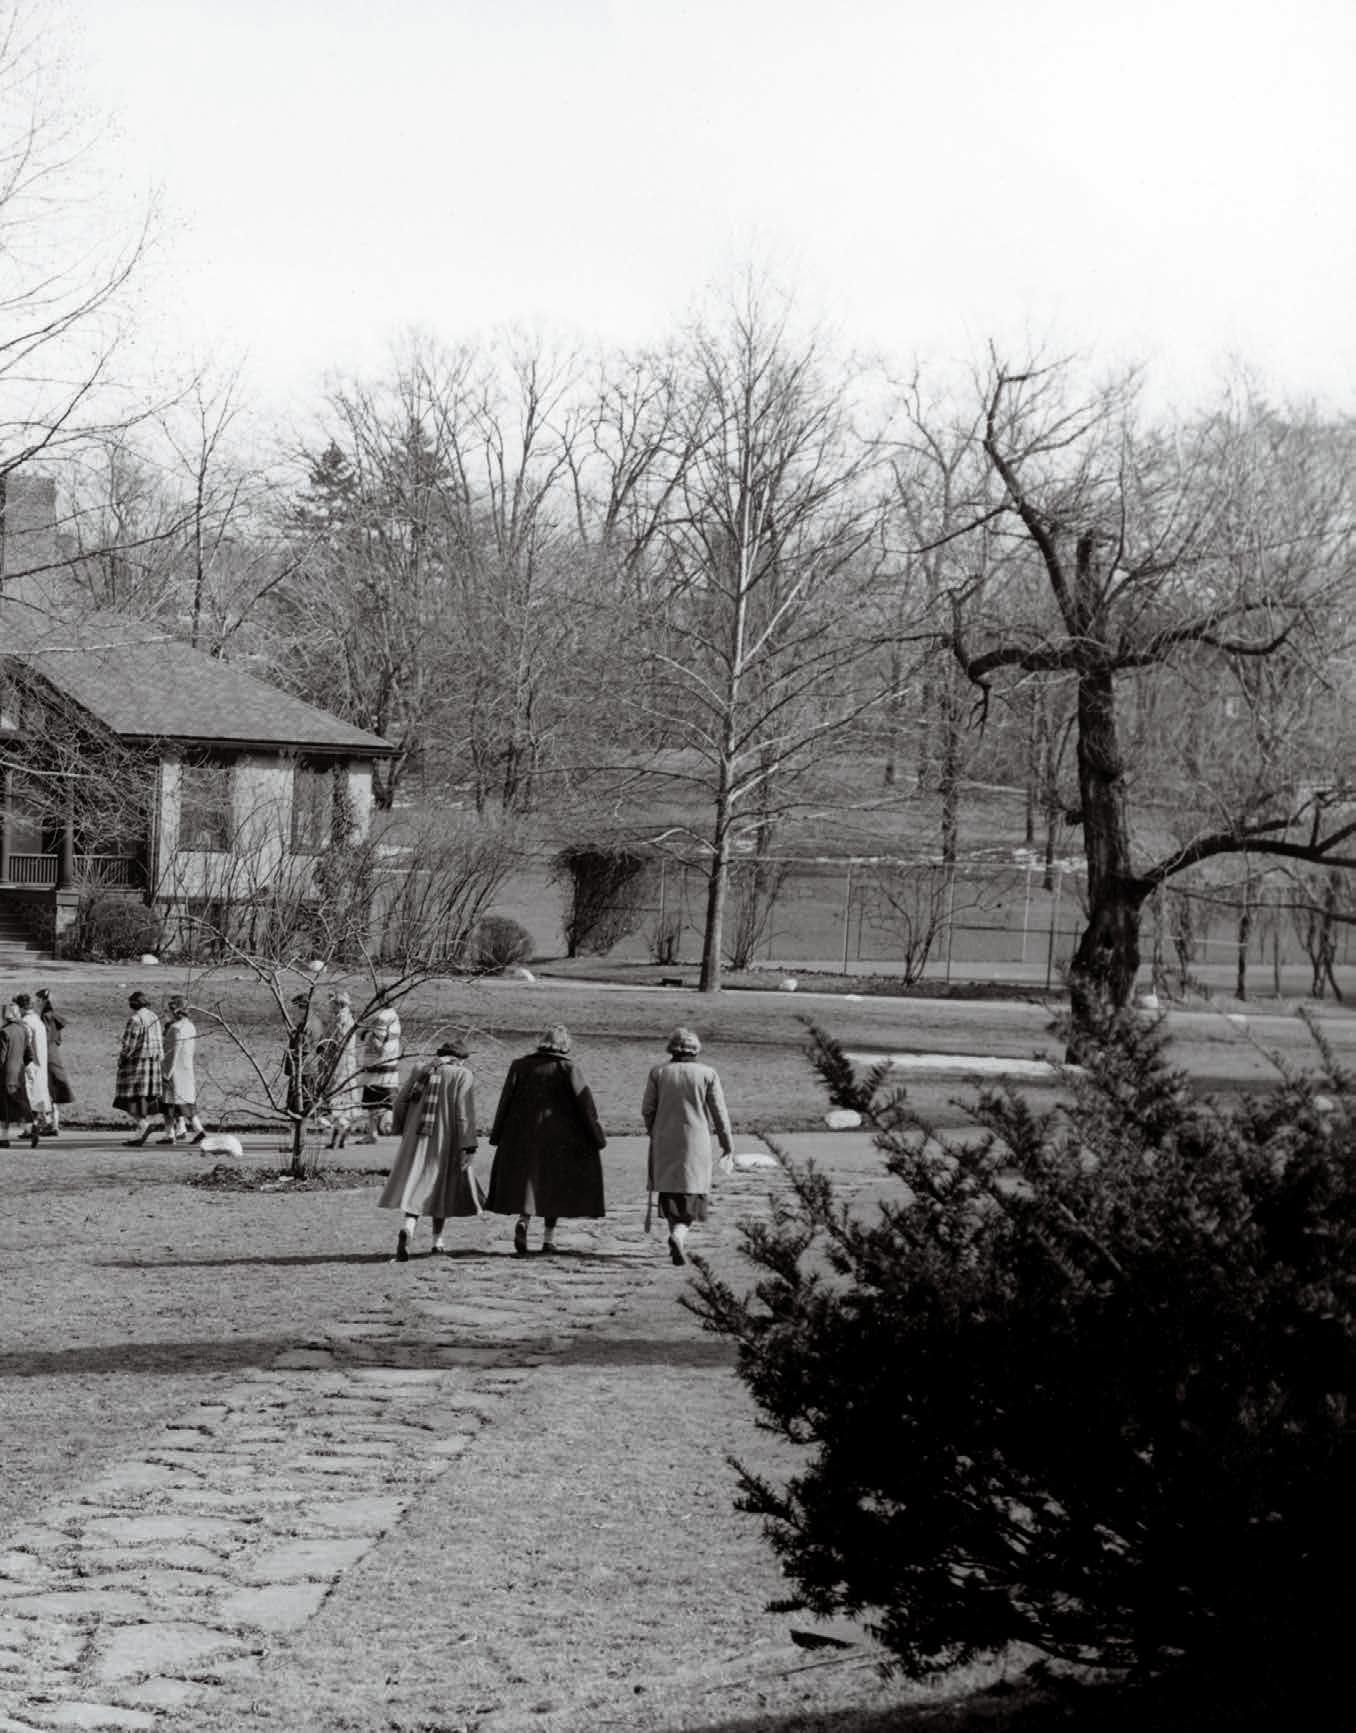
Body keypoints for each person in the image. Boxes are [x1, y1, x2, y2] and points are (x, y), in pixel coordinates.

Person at [486, 1024, 607, 1257]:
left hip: (522, 1135)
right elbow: (586, 1107)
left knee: (529, 1185)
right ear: (565, 1044)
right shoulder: (568, 1068)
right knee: (554, 1187)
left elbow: (505, 1101)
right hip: (560, 1139)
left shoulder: (519, 1065)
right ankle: (548, 1239)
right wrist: (597, 1136)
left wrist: (497, 1135)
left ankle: (524, 1220)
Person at [378, 1036, 482, 1261]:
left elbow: (401, 1102)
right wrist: (469, 1145)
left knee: (417, 1184)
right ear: (460, 1059)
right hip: (446, 1141)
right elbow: (463, 1113)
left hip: (416, 1139)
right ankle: (437, 1242)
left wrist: (399, 1128)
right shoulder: (462, 1074)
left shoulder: (421, 1069)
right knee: (440, 1189)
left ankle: (409, 1226)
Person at [642, 1026, 734, 1266]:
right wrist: (727, 1144)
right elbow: (719, 1113)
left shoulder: (659, 1072)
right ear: (696, 1049)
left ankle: (675, 1234)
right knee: (692, 1192)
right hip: (696, 1140)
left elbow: (648, 1109)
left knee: (671, 1191)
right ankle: (679, 1235)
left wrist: (654, 1132)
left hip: (665, 1139)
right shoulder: (707, 1073)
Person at [114, 990, 164, 1146]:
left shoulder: (135, 1019)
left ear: (132, 1004)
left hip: (137, 1065)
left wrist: (121, 1060)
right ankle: (140, 1132)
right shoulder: (154, 1016)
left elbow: (129, 1045)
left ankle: (143, 1125)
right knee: (142, 1099)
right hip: (153, 1064)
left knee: (128, 1099)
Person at [159, 995, 206, 1144]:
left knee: (168, 1105)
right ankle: (199, 1131)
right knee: (186, 1104)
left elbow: (171, 1054)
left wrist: (165, 1073)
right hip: (186, 1070)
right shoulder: (190, 1026)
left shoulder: (175, 1029)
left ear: (175, 1010)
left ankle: (169, 1135)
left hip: (175, 1072)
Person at [319, 990, 362, 1148]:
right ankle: (341, 1137)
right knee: (343, 1102)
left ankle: (338, 1136)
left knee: (337, 1100)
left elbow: (337, 1044)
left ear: (338, 1004)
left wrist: (324, 1048)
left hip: (340, 1066)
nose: (329, 1007)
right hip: (344, 1065)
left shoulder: (342, 1020)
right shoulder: (345, 1018)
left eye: (332, 1004)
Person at [358, 1003, 402, 1142]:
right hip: (390, 1066)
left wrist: (367, 1035)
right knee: (387, 1100)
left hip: (377, 1067)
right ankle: (383, 1128)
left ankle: (375, 1131)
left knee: (373, 1102)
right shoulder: (394, 1017)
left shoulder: (382, 1017)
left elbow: (379, 1044)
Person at [34, 988, 73, 1134]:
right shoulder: (54, 1017)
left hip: (46, 1056)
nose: (35, 1002)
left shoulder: (44, 1017)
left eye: (37, 1000)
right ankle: (54, 1125)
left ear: (42, 1001)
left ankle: (48, 1123)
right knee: (54, 1090)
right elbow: (58, 1040)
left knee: (46, 1089)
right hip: (55, 1055)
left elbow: (43, 1038)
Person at [1, 1002, 39, 1149]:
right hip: (19, 1073)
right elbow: (29, 1055)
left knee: (4, 1107)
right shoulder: (23, 1030)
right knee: (20, 1102)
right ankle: (31, 1127)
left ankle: (4, 1138)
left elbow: (1, 1057)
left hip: (5, 1074)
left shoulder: (4, 1032)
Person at [14, 994, 52, 1136]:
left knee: (28, 1096)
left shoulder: (25, 1022)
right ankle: (43, 1123)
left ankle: (30, 1128)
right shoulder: (37, 1020)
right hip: (40, 1063)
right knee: (38, 1094)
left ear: (21, 1007)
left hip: (29, 1064)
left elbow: (25, 1043)